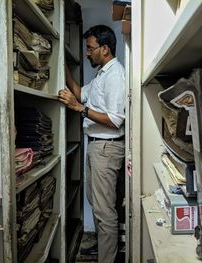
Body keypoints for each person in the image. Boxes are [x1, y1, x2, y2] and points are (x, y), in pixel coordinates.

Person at [58, 25, 126, 263]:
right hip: (96, 146)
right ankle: (105, 250)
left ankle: (107, 259)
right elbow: (80, 93)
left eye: (90, 48)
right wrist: (62, 66)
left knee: (105, 211)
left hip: (107, 148)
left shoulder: (116, 75)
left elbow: (116, 120)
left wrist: (80, 109)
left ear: (105, 49)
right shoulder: (102, 74)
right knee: (96, 204)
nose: (87, 53)